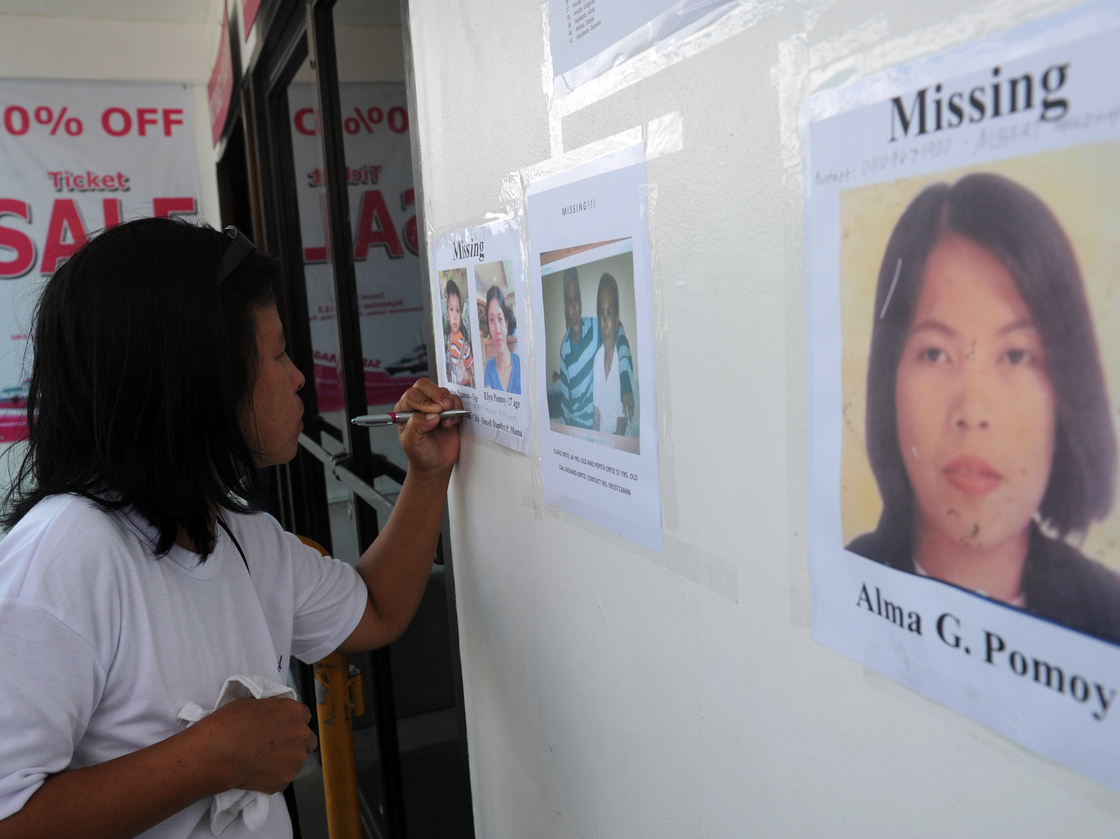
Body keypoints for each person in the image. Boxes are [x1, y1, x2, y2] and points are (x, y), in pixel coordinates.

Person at [0, 217, 463, 838]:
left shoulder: (241, 533)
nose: (299, 376)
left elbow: (375, 609)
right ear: (196, 379)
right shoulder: (66, 554)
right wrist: (212, 758)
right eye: (275, 354)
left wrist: (427, 476)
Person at [846, 172, 1120, 644]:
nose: (972, 411)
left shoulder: (1108, 613)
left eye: (1016, 356)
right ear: (889, 379)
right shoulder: (844, 581)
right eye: (935, 353)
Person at [551, 267, 633, 429]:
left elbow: (619, 329)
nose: (574, 309)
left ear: (580, 300)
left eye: (576, 300)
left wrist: (625, 382)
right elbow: (565, 396)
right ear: (565, 306)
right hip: (574, 423)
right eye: (569, 302)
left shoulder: (594, 329)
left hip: (592, 424)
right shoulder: (564, 346)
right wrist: (564, 428)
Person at [593, 273, 628, 435]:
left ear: (616, 320)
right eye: (601, 313)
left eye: (609, 313)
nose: (605, 323)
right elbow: (596, 417)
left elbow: (621, 429)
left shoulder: (623, 365)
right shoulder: (597, 359)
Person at [482, 284, 521, 394]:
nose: (497, 329)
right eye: (491, 320)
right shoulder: (489, 368)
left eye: (500, 318)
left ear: (506, 325)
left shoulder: (520, 364)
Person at [444, 277, 474, 387]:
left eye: (458, 310)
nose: (455, 316)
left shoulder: (465, 346)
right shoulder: (449, 339)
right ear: (447, 313)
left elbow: (471, 374)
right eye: (451, 309)